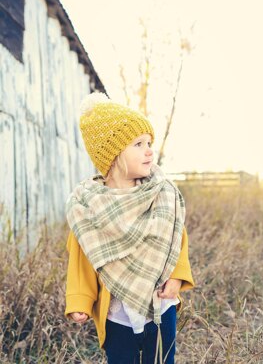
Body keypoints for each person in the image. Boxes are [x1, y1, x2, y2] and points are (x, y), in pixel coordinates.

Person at [65, 91, 194, 364]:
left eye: (149, 142)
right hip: (117, 313)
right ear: (112, 156)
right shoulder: (88, 208)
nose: (149, 150)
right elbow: (82, 259)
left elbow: (176, 239)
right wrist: (79, 300)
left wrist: (177, 277)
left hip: (160, 305)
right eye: (138, 144)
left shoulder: (163, 195)